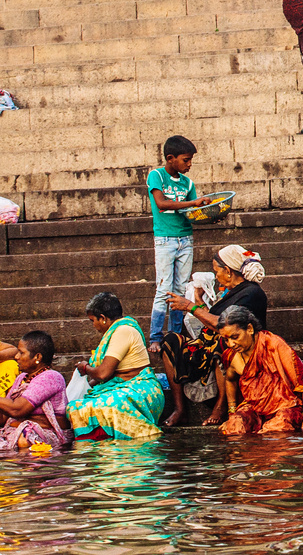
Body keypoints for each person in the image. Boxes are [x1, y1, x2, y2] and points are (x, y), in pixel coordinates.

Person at [160, 244, 268, 427]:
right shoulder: (230, 292)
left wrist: (189, 306)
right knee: (171, 341)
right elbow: (212, 319)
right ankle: (180, 409)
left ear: (228, 271)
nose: (215, 275)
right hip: (206, 346)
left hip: (240, 350)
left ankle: (220, 406)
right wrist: (199, 300)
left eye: (216, 271)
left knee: (222, 340)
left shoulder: (252, 293)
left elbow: (225, 325)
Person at [147, 134, 215, 350]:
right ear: (170, 158)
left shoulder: (188, 183)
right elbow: (161, 203)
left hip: (185, 239)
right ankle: (155, 337)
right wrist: (194, 202)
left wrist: (210, 213)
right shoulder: (156, 176)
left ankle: (175, 334)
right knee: (163, 288)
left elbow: (191, 212)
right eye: (186, 160)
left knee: (180, 288)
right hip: (165, 240)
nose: (189, 165)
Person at [68, 293, 165, 441]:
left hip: (140, 388)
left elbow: (103, 373)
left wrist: (85, 368)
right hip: (119, 386)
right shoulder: (114, 332)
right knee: (76, 407)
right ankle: (98, 448)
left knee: (111, 405)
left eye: (92, 321)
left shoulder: (123, 331)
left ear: (103, 318)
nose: (93, 325)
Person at [216, 306, 303, 436]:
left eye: (235, 337)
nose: (231, 344)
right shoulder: (231, 356)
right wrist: (232, 413)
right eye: (226, 340)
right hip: (254, 407)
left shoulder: (273, 344)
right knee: (235, 427)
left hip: (286, 406)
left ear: (249, 329)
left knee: (277, 430)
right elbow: (230, 379)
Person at [0, 333, 69, 449]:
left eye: (21, 353)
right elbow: (3, 418)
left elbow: (18, 409)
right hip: (13, 431)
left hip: (44, 435)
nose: (16, 357)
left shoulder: (51, 377)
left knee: (25, 440)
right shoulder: (21, 378)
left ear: (37, 357)